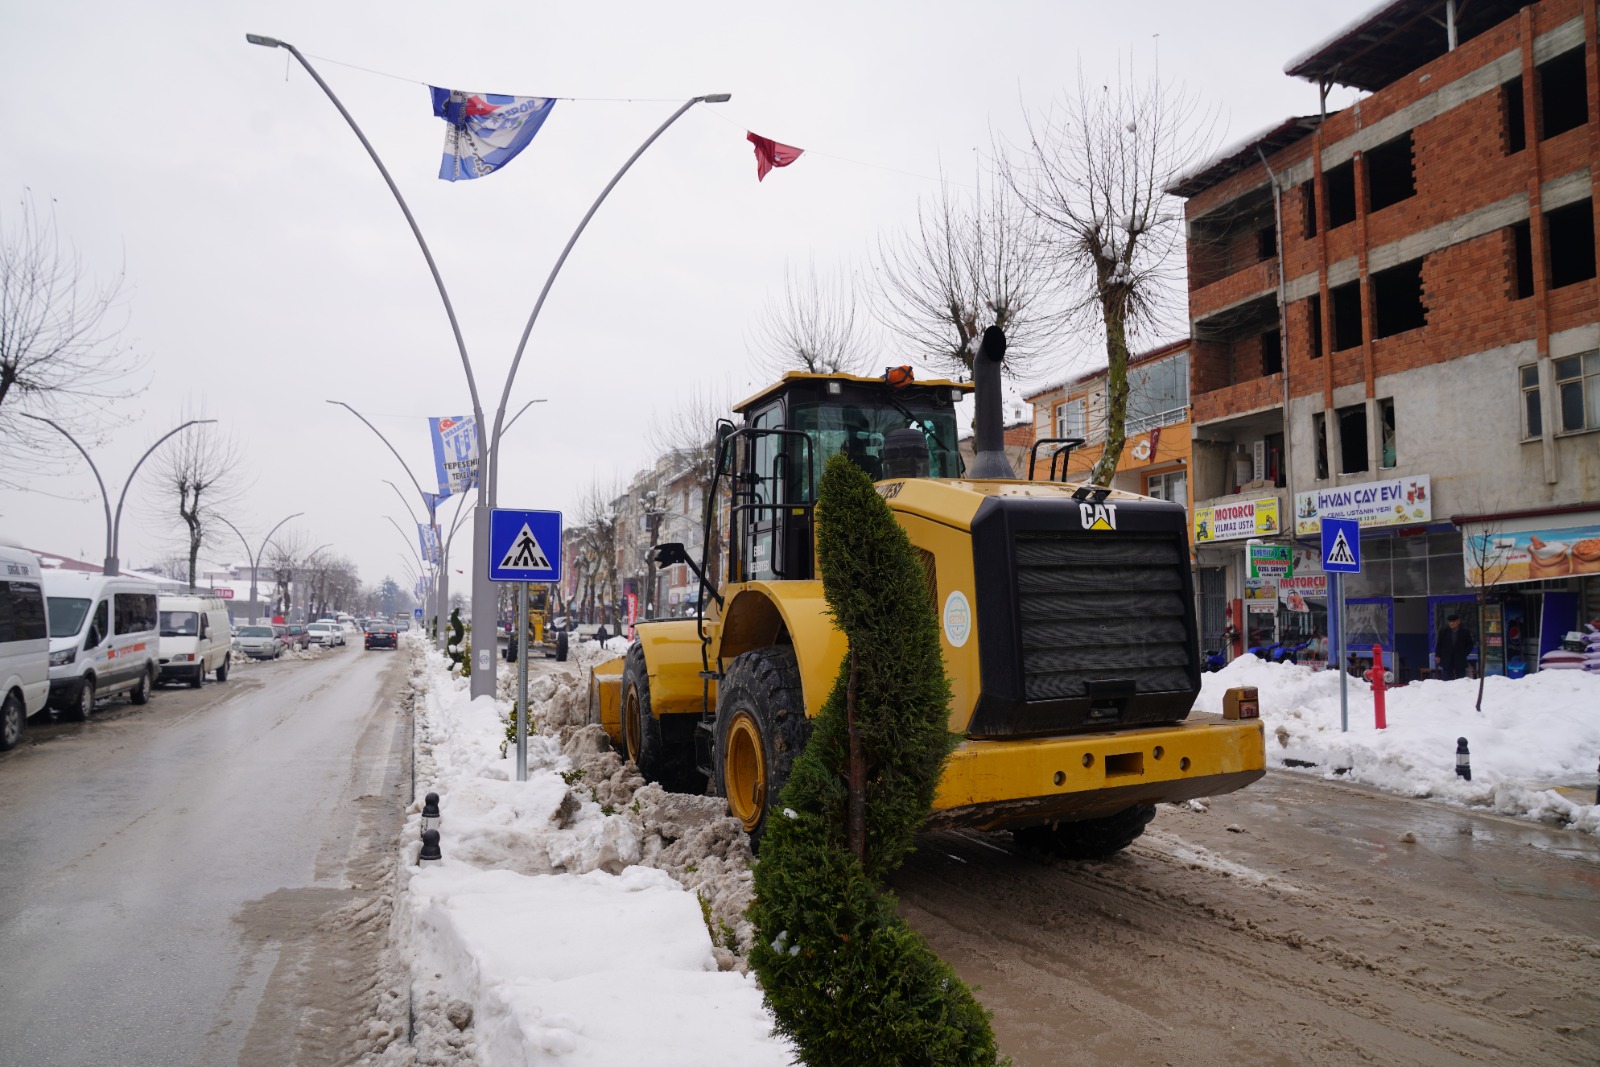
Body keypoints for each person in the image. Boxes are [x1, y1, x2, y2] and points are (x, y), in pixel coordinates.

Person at [1434, 613, 1475, 680]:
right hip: (1447, 659)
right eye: (1450, 622)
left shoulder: (1464, 632)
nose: (1452, 623)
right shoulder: (1443, 632)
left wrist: (1464, 653)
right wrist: (1438, 655)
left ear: (1458, 622)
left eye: (1453, 621)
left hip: (1459, 659)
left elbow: (1470, 644)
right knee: (1447, 679)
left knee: (1461, 678)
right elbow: (1439, 644)